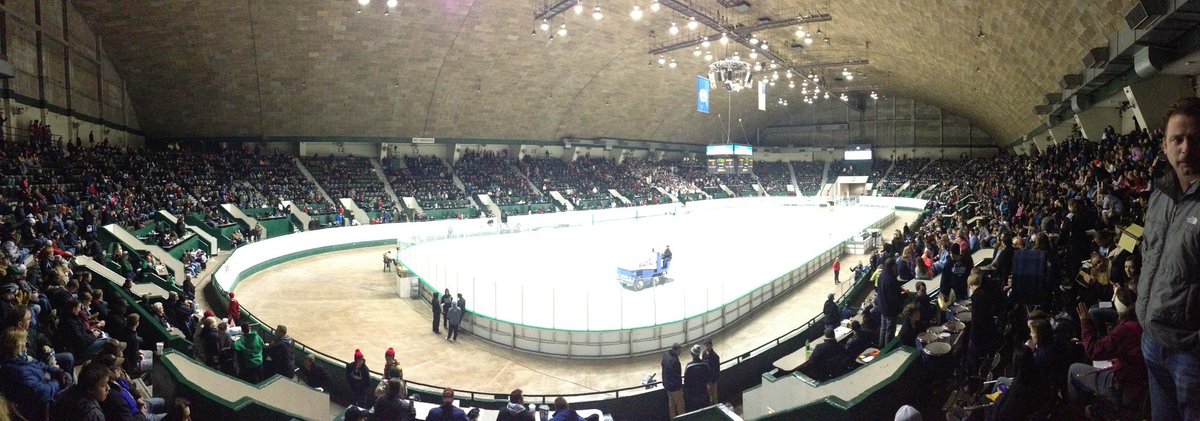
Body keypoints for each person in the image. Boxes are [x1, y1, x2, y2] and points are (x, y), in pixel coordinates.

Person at [1137, 96, 1200, 421]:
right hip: (1152, 341)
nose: (1186, 149)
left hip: (1190, 355)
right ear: (1164, 145)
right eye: (1178, 139)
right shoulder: (1159, 193)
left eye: (1195, 139)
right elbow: (1151, 254)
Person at [1069, 287, 1146, 413]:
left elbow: (1093, 351)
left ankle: (1077, 413)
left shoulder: (1125, 330)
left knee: (1073, 370)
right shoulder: (1139, 322)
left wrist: (1085, 321)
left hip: (1125, 387)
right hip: (1139, 382)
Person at [876, 258, 903, 347]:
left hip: (882, 307)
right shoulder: (891, 279)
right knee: (890, 331)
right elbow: (894, 298)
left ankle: (881, 347)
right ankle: (887, 349)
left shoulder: (881, 276)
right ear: (892, 267)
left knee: (883, 329)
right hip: (890, 310)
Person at [683, 344, 711, 412]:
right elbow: (708, 379)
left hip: (693, 394)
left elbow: (686, 382)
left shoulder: (689, 366)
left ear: (692, 354)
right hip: (703, 392)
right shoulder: (705, 365)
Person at [661, 343, 684, 418]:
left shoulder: (666, 355)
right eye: (679, 351)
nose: (680, 353)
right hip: (675, 388)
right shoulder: (675, 361)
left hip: (667, 386)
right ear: (676, 350)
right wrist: (679, 388)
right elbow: (678, 375)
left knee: (672, 406)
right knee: (680, 406)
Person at [702, 339, 720, 405]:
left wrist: (714, 381)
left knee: (714, 395)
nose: (707, 347)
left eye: (708, 345)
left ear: (711, 345)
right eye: (706, 346)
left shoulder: (715, 356)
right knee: (709, 396)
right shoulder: (704, 353)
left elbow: (717, 369)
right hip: (707, 380)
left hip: (713, 380)